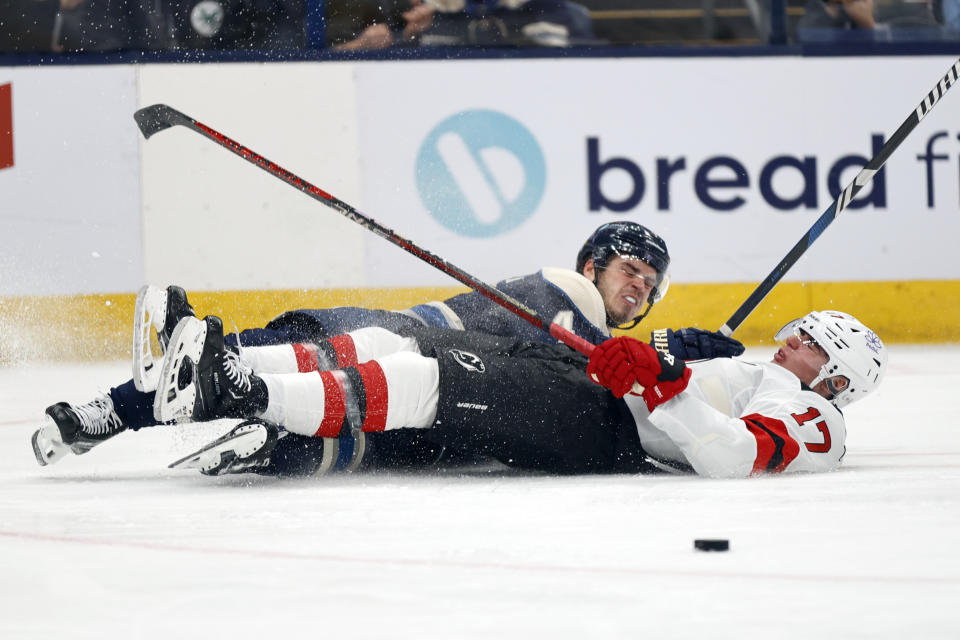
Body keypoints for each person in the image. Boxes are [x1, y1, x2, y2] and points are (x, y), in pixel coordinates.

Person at [31, 221, 743, 470]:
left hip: (443, 400)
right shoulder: (565, 289)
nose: (635, 288)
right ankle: (113, 410)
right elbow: (586, 359)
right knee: (246, 363)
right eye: (628, 272)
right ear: (593, 266)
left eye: (648, 285)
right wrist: (667, 343)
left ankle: (215, 421)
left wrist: (664, 346)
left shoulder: (593, 330)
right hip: (397, 342)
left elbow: (587, 372)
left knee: (267, 388)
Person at [148, 307, 885, 479]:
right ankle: (225, 362)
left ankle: (242, 394)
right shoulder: (765, 375)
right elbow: (681, 388)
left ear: (839, 378)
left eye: (815, 341)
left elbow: (730, 458)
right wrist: (651, 360)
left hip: (607, 437)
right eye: (801, 329)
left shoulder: (816, 419)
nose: (795, 337)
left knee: (419, 383)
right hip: (589, 396)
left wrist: (663, 388)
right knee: (395, 342)